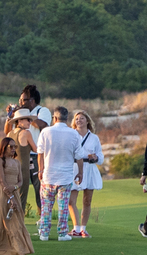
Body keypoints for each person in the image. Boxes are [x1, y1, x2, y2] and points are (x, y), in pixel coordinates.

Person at [34, 106, 83, 241]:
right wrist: (80, 173)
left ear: (54, 118)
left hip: (48, 175)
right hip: (66, 177)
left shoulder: (46, 132)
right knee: (63, 207)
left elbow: (40, 153)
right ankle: (62, 233)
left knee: (46, 207)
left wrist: (40, 169)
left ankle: (44, 233)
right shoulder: (74, 134)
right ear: (67, 118)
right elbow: (79, 156)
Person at [8, 85, 51, 213]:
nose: (20, 103)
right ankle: (18, 215)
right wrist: (11, 115)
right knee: (20, 189)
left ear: (32, 100)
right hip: (21, 156)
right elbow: (8, 132)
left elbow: (42, 124)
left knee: (40, 189)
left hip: (37, 155)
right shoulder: (21, 114)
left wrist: (27, 117)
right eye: (20, 100)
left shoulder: (42, 111)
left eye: (23, 100)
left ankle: (42, 217)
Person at [67, 110, 103, 238]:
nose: (79, 121)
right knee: (71, 200)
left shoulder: (94, 138)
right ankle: (75, 228)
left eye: (82, 118)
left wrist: (95, 157)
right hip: (75, 167)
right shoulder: (71, 135)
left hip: (89, 168)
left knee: (87, 200)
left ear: (87, 121)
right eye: (77, 119)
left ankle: (83, 228)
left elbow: (101, 156)